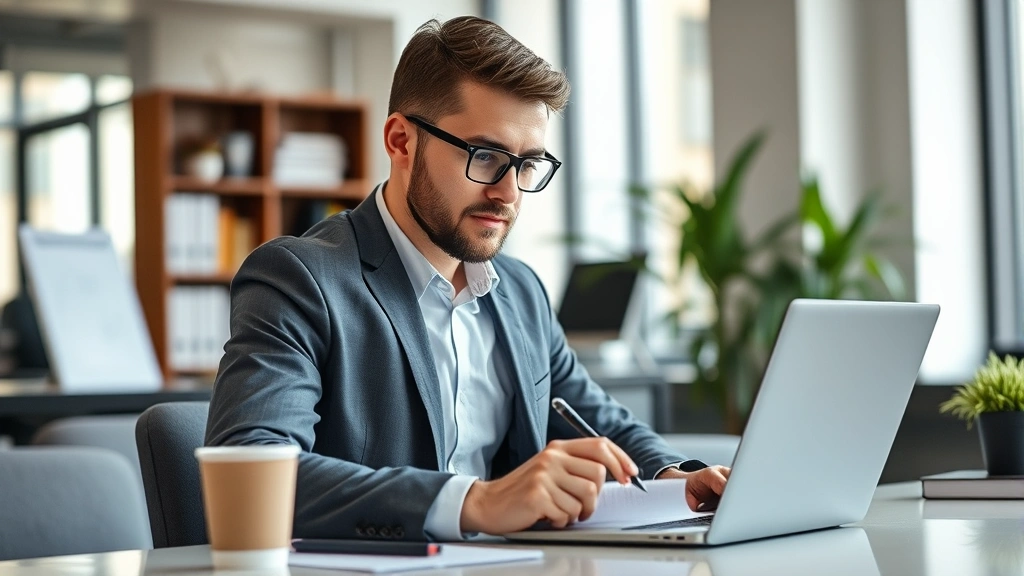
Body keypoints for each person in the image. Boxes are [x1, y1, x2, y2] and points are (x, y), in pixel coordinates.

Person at [206, 15, 730, 541]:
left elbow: (597, 422)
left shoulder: (521, 291)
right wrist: (476, 501)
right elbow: (252, 471)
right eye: (485, 156)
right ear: (401, 142)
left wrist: (676, 477)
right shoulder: (300, 279)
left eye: (528, 164)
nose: (509, 193)